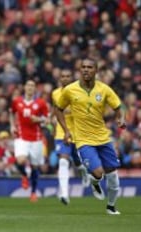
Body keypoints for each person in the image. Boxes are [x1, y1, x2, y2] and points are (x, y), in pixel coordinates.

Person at [55, 58, 126, 215]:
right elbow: (58, 109)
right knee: (98, 173)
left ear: (96, 70)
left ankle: (111, 206)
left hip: (103, 138)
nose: (86, 70)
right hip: (83, 140)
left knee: (113, 176)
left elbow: (118, 107)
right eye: (83, 67)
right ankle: (95, 181)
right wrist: (66, 130)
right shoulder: (70, 90)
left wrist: (121, 118)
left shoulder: (104, 89)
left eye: (89, 67)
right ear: (80, 70)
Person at [51, 68, 89, 205]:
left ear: (72, 78)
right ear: (60, 78)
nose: (65, 78)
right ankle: (65, 194)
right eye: (63, 76)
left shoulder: (79, 93)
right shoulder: (55, 93)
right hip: (61, 134)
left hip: (77, 134)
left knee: (78, 163)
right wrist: (52, 122)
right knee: (63, 161)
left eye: (68, 76)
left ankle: (84, 172)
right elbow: (55, 110)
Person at [9, 79, 49, 202]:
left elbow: (47, 120)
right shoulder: (17, 101)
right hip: (21, 137)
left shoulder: (41, 103)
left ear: (35, 88)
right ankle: (25, 175)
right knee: (20, 161)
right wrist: (12, 125)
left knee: (35, 167)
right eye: (28, 85)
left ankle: (33, 193)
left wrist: (38, 119)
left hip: (36, 139)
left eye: (32, 85)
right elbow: (11, 112)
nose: (30, 87)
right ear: (24, 87)